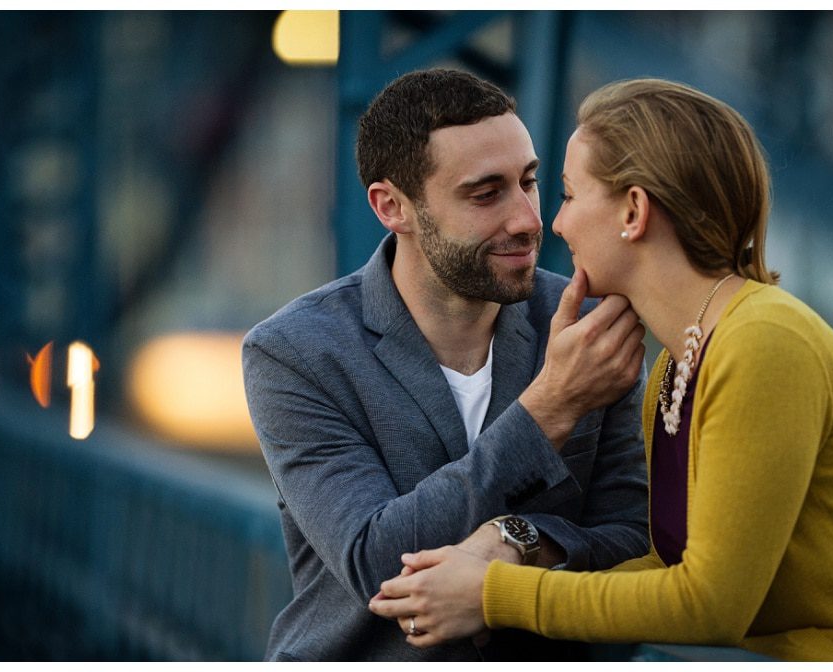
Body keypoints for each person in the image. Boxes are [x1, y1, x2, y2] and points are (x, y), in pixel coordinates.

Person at [369, 78, 833, 662]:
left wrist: (493, 596)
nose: (552, 224)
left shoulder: (762, 343)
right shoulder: (679, 364)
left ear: (634, 211)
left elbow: (708, 604)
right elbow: (666, 566)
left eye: (569, 195)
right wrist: (514, 548)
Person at [242, 68, 651, 661]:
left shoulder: (591, 325)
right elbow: (377, 562)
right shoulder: (296, 353)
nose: (528, 220)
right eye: (485, 194)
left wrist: (517, 542)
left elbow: (637, 547)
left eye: (530, 183)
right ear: (392, 207)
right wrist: (552, 406)